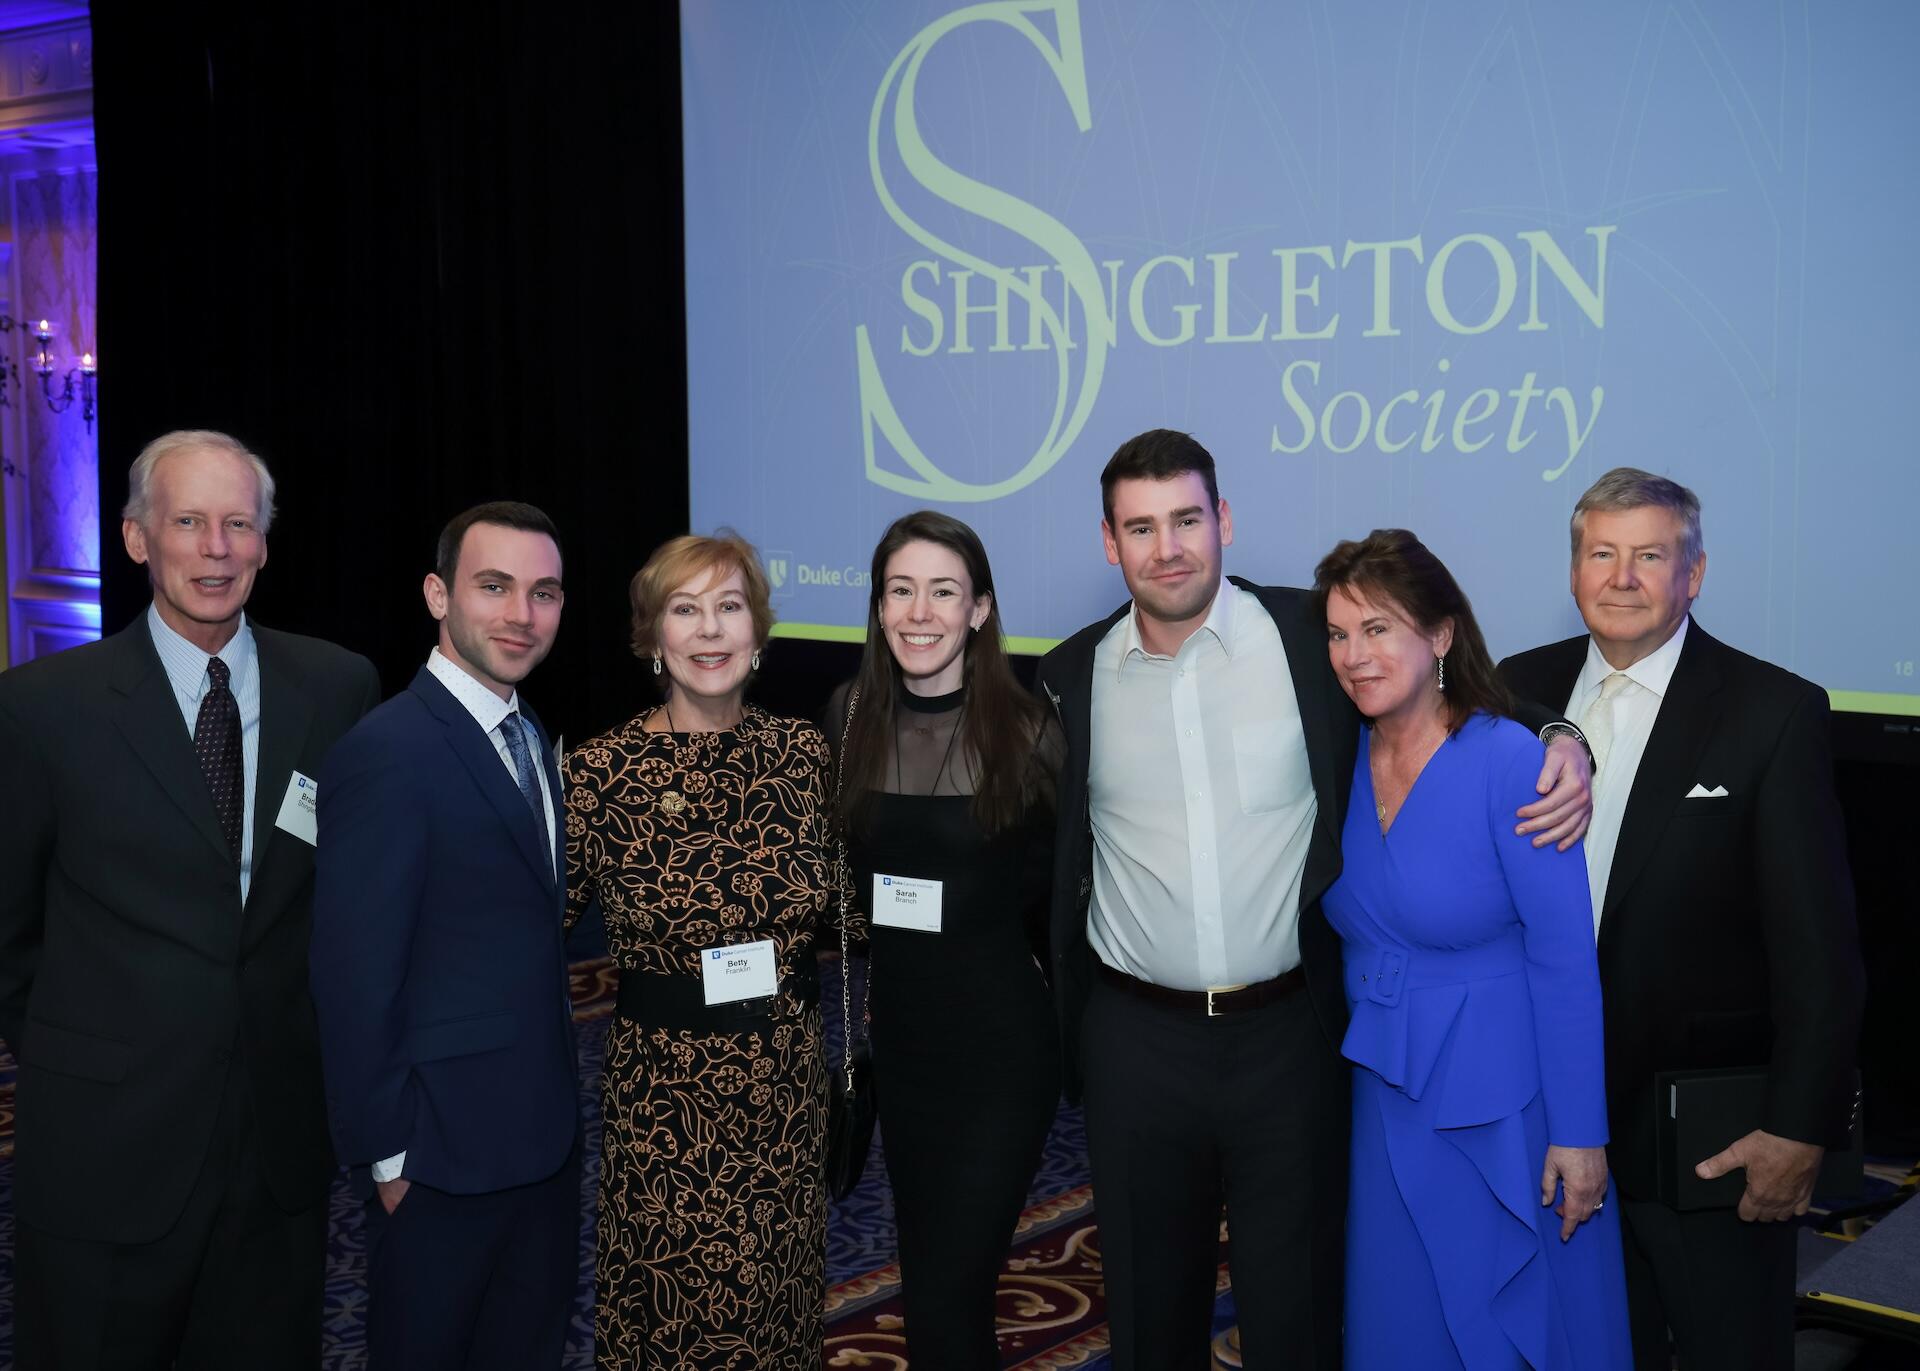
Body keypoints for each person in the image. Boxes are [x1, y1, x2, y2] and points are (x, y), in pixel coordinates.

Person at [1032, 429, 1596, 1370]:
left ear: (1225, 522)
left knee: (1296, 1308)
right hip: (1136, 1038)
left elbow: (1444, 682)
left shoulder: (1310, 638)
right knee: (1146, 1309)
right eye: (1140, 526)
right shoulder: (1067, 675)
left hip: (1287, 1036)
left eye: (1186, 518)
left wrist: (1562, 731)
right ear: (1108, 542)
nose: (1167, 546)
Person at [0, 430, 380, 1369]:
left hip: (277, 1148)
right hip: (106, 1151)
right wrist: (93, 1055)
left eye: (238, 524)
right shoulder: (42, 708)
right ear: (137, 538)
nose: (215, 548)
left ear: (263, 542)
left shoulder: (337, 687)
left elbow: (346, 903)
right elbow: (8, 937)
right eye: (189, 522)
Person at [1499, 469, 1864, 1371]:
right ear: (1575, 568)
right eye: (1602, 554)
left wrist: (1798, 1125)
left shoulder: (1774, 711)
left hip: (1707, 1142)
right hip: (1545, 1115)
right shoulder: (1514, 690)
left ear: (1693, 574)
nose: (1622, 577)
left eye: (1650, 555)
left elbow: (1820, 953)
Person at [1313, 528, 1631, 1370]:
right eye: (1340, 634)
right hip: (1384, 1086)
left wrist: (1580, 1134)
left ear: (1441, 633)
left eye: (1378, 628)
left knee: (1515, 1322)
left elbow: (1566, 963)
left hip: (1502, 1106)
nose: (1354, 654)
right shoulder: (1335, 753)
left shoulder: (1511, 762)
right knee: (1400, 1317)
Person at [310, 501, 580, 1370]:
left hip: (540, 1144)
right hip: (435, 1162)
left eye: (543, 593)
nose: (520, 614)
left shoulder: (529, 729)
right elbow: (352, 977)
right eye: (493, 586)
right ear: (437, 594)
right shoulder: (386, 750)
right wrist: (387, 1159)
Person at [563, 533, 833, 1369]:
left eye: (729, 607)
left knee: (779, 1317)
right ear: (653, 636)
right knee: (675, 1321)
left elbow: (849, 907)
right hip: (668, 1103)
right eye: (685, 610)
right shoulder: (602, 772)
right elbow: (524, 929)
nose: (709, 631)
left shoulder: (803, 754)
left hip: (786, 1087)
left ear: (758, 631)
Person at [825, 511, 1063, 1370]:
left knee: (956, 1279)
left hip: (1001, 1050)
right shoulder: (848, 714)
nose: (918, 611)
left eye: (943, 591)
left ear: (980, 610)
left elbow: (1058, 891)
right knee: (926, 1279)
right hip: (905, 1047)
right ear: (879, 606)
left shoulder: (1031, 732)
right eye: (900, 589)